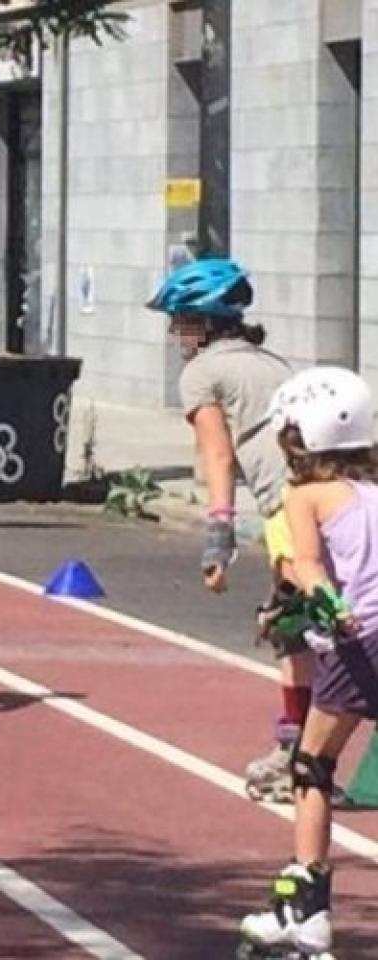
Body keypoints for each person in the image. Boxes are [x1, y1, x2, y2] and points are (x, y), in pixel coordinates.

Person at [146, 256, 318, 805]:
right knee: (302, 623)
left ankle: (307, 756)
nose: (175, 333)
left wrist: (218, 540)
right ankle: (296, 745)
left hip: (290, 510)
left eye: (182, 322)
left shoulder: (201, 373)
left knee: (313, 626)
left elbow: (216, 458)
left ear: (207, 322)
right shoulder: (273, 362)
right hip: (328, 498)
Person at [238, 366, 378, 958]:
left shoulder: (304, 496)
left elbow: (310, 564)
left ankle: (308, 909)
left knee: (312, 765)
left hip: (361, 639)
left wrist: (318, 601)